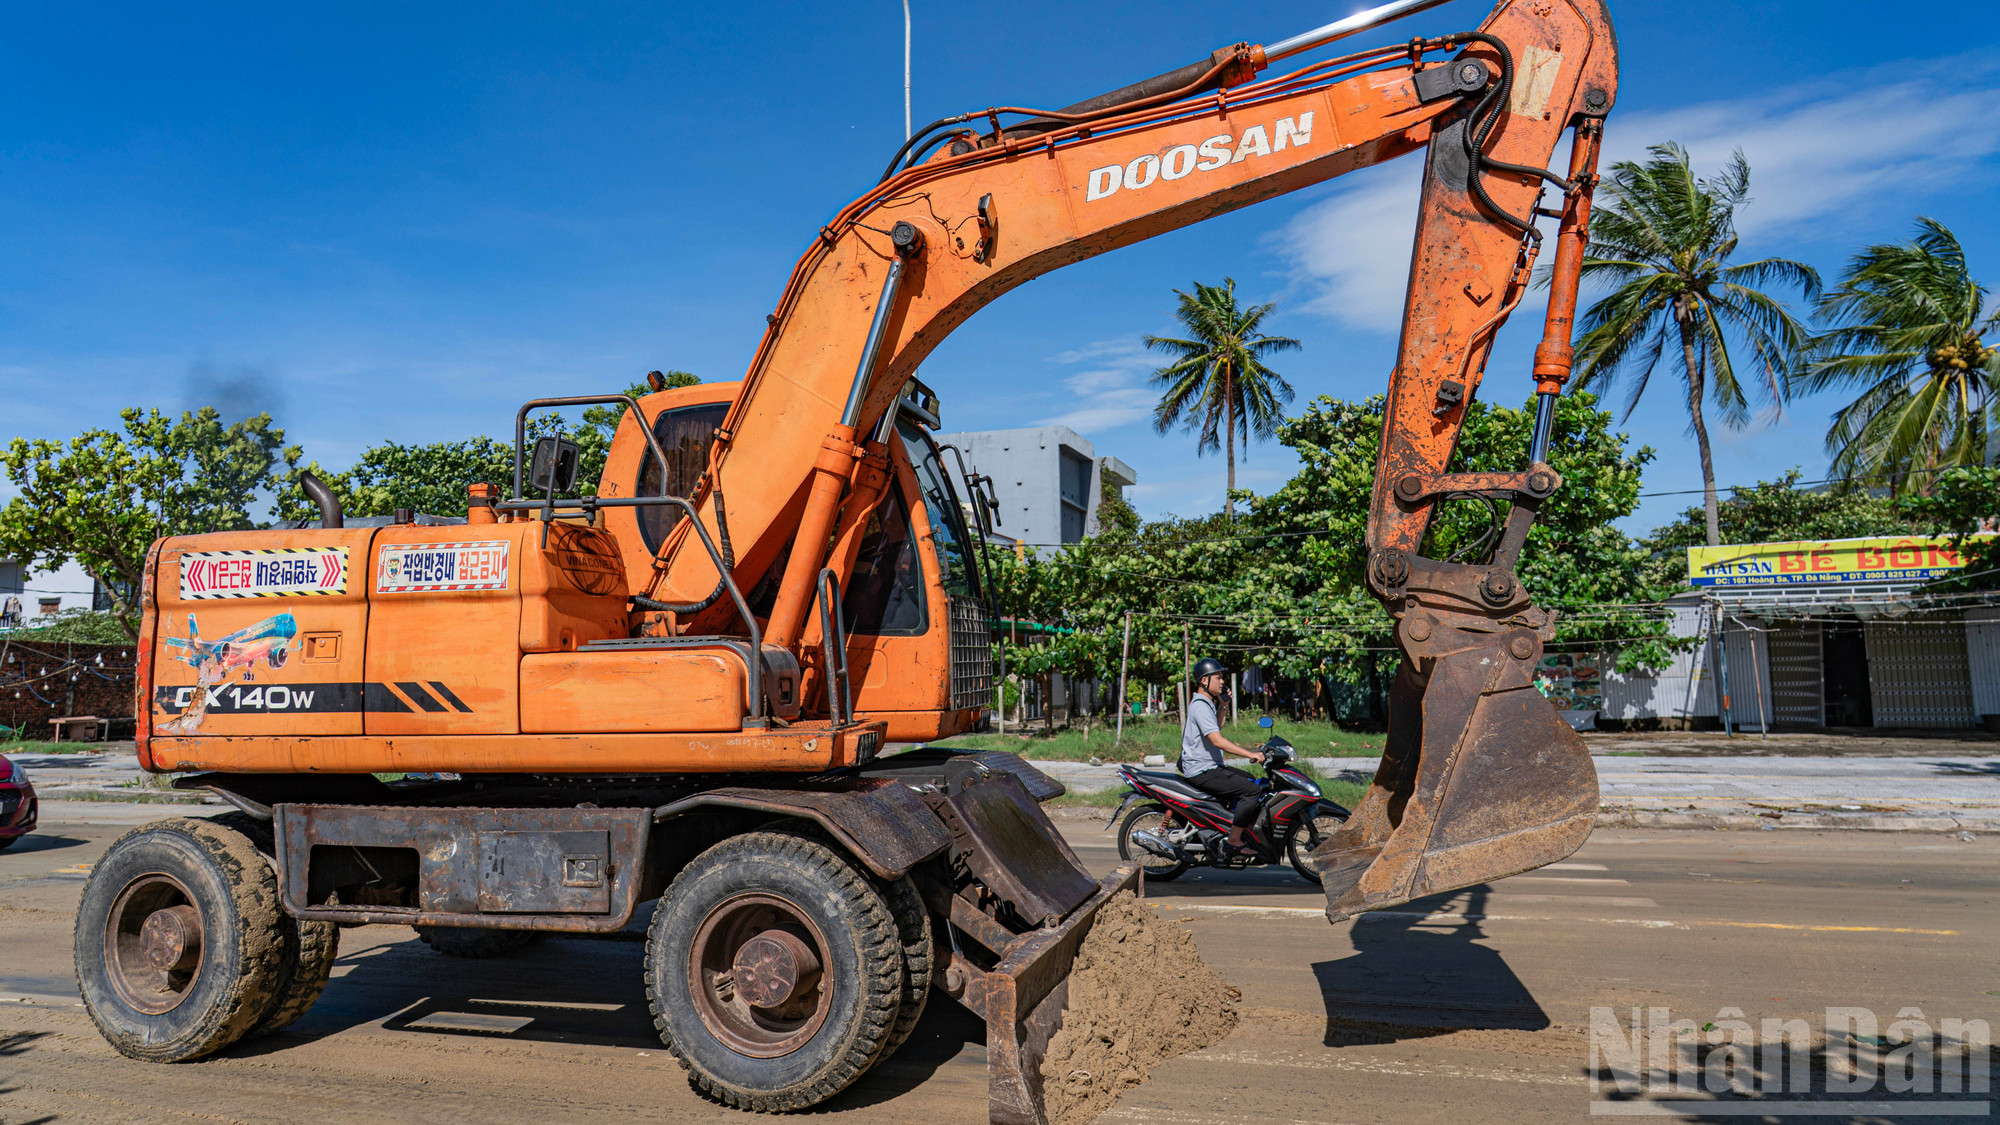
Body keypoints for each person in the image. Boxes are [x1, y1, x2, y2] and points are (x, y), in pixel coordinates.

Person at [1178, 657, 1265, 853]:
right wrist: (1251, 754)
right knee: (1251, 791)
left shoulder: (1206, 703)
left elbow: (1215, 727)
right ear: (1204, 681)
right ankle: (1233, 840)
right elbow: (1217, 740)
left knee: (1251, 780)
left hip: (1210, 766)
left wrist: (1223, 705)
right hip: (1202, 769)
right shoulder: (1200, 705)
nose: (1222, 681)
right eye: (1217, 677)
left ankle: (1224, 827)